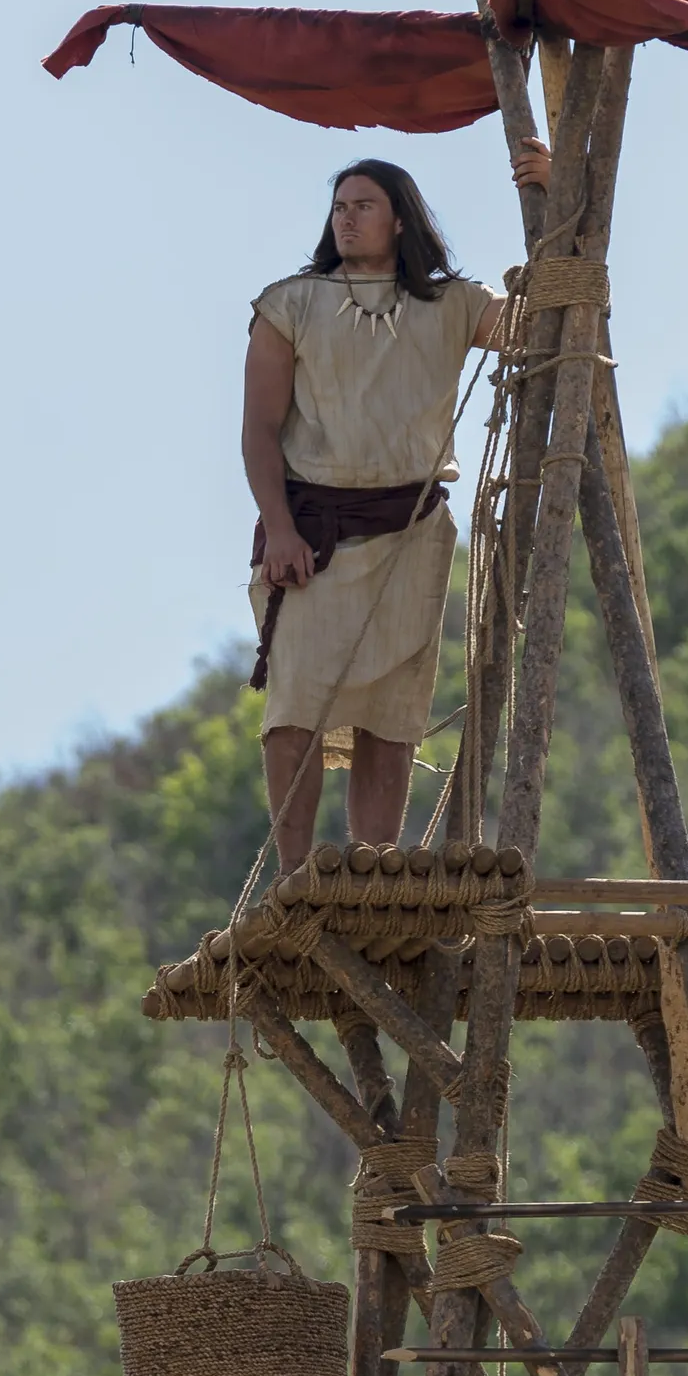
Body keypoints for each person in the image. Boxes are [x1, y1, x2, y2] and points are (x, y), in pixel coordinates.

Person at [246, 144, 552, 850]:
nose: (347, 219)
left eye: (364, 207)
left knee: (390, 714)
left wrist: (555, 197)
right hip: (313, 533)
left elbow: (548, 316)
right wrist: (280, 529)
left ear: (402, 222)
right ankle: (297, 875)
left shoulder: (452, 305)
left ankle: (374, 871)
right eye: (340, 208)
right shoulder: (290, 304)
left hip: (409, 533)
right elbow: (259, 433)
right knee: (294, 709)